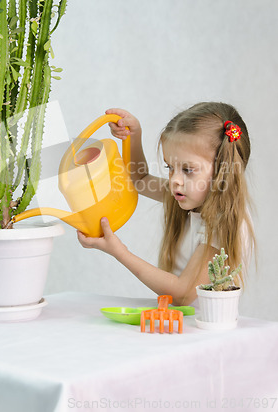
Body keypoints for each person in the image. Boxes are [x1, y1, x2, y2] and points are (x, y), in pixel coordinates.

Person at [77, 102, 255, 305]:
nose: (174, 180)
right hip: (183, 326)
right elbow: (141, 180)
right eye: (170, 167)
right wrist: (134, 136)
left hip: (204, 332)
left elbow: (183, 293)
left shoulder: (224, 221)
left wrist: (119, 251)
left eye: (187, 170)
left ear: (224, 172)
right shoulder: (190, 195)